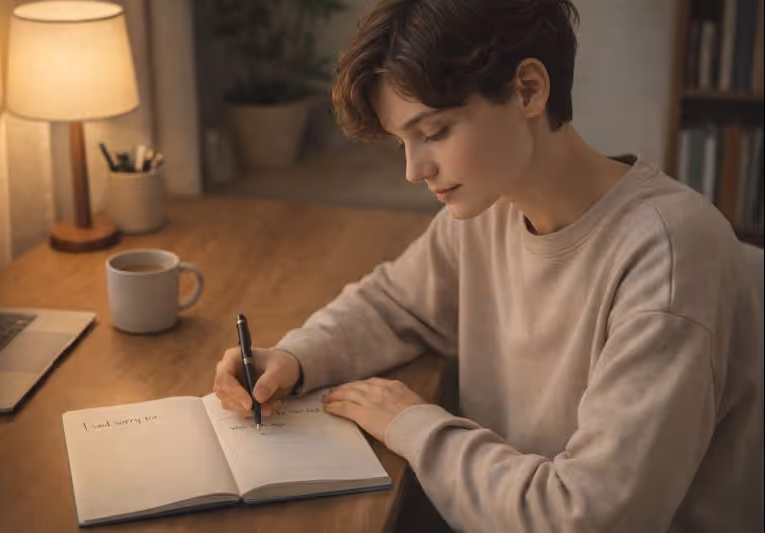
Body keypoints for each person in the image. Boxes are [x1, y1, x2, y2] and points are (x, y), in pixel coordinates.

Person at [214, 0, 763, 531]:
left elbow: (589, 517)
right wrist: (294, 356)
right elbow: (394, 303)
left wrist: (414, 425)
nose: (413, 169)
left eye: (433, 133)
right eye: (403, 141)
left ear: (528, 89)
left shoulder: (666, 257)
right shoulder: (485, 211)